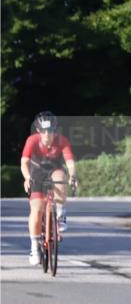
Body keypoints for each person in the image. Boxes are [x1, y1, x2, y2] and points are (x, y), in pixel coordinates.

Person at [20, 112, 79, 265]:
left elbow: (70, 162)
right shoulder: (32, 141)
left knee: (61, 177)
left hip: (55, 170)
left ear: (55, 130)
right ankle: (34, 247)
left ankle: (60, 213)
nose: (47, 134)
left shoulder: (62, 141)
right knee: (36, 209)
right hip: (36, 173)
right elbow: (24, 162)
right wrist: (27, 177)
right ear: (38, 131)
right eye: (44, 131)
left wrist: (73, 176)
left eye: (51, 130)